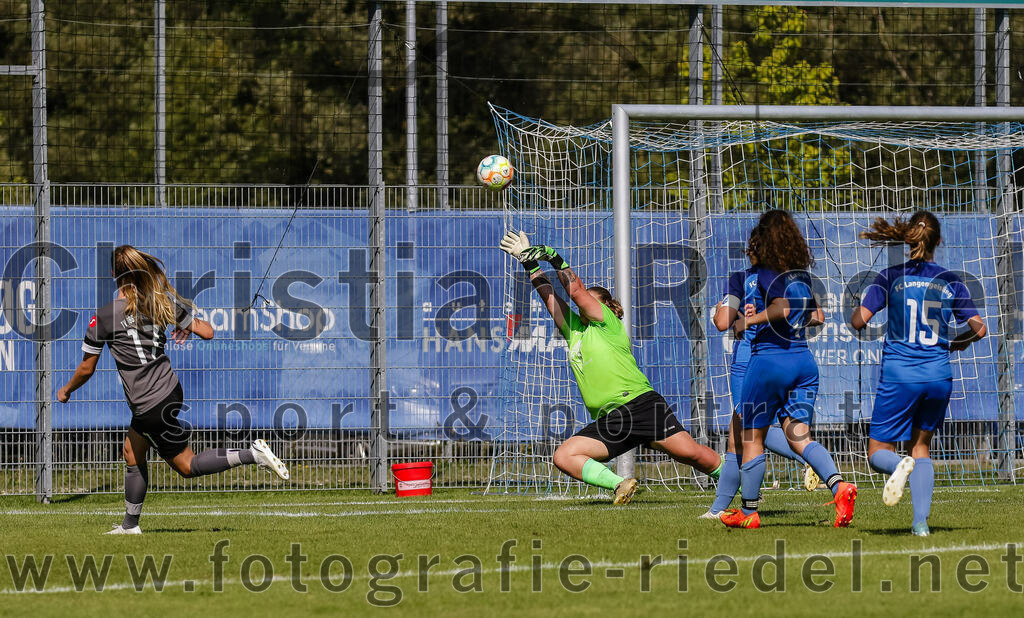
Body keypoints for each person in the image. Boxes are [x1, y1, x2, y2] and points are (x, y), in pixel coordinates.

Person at [57, 245, 290, 535]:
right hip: (170, 391)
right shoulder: (158, 303)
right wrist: (185, 324)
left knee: (187, 465)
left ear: (113, 275)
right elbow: (208, 331)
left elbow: (86, 369)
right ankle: (129, 526)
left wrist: (66, 389)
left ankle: (252, 454)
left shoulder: (103, 317)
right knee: (132, 450)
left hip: (149, 402)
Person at [499, 231, 723, 505]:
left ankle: (740, 482)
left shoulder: (608, 323)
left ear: (608, 306)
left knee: (695, 455)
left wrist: (553, 257)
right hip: (612, 420)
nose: (583, 304)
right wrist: (529, 264)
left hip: (641, 405)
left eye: (591, 300)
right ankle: (620, 485)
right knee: (564, 456)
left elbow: (577, 291)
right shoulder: (575, 331)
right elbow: (551, 300)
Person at [851, 211, 986, 537]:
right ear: (938, 241)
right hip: (938, 375)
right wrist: (957, 342)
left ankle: (899, 467)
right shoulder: (950, 280)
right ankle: (921, 524)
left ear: (907, 237)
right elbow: (979, 330)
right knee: (921, 449)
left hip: (900, 374)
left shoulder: (890, 277)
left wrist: (863, 303)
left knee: (878, 452)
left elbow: (859, 321)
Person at [722, 210, 856, 529]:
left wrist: (747, 320)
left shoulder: (768, 272)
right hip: (803, 362)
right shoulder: (800, 276)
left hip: (770, 361)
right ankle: (840, 487)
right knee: (799, 437)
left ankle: (749, 511)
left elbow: (781, 308)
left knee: (752, 435)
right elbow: (814, 315)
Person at [700, 243, 821, 520]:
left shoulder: (741, 279)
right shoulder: (789, 277)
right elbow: (818, 317)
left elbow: (722, 322)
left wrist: (725, 310)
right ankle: (813, 460)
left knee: (740, 436)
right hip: (789, 355)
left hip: (750, 360)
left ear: (748, 253)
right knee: (763, 429)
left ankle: (723, 509)